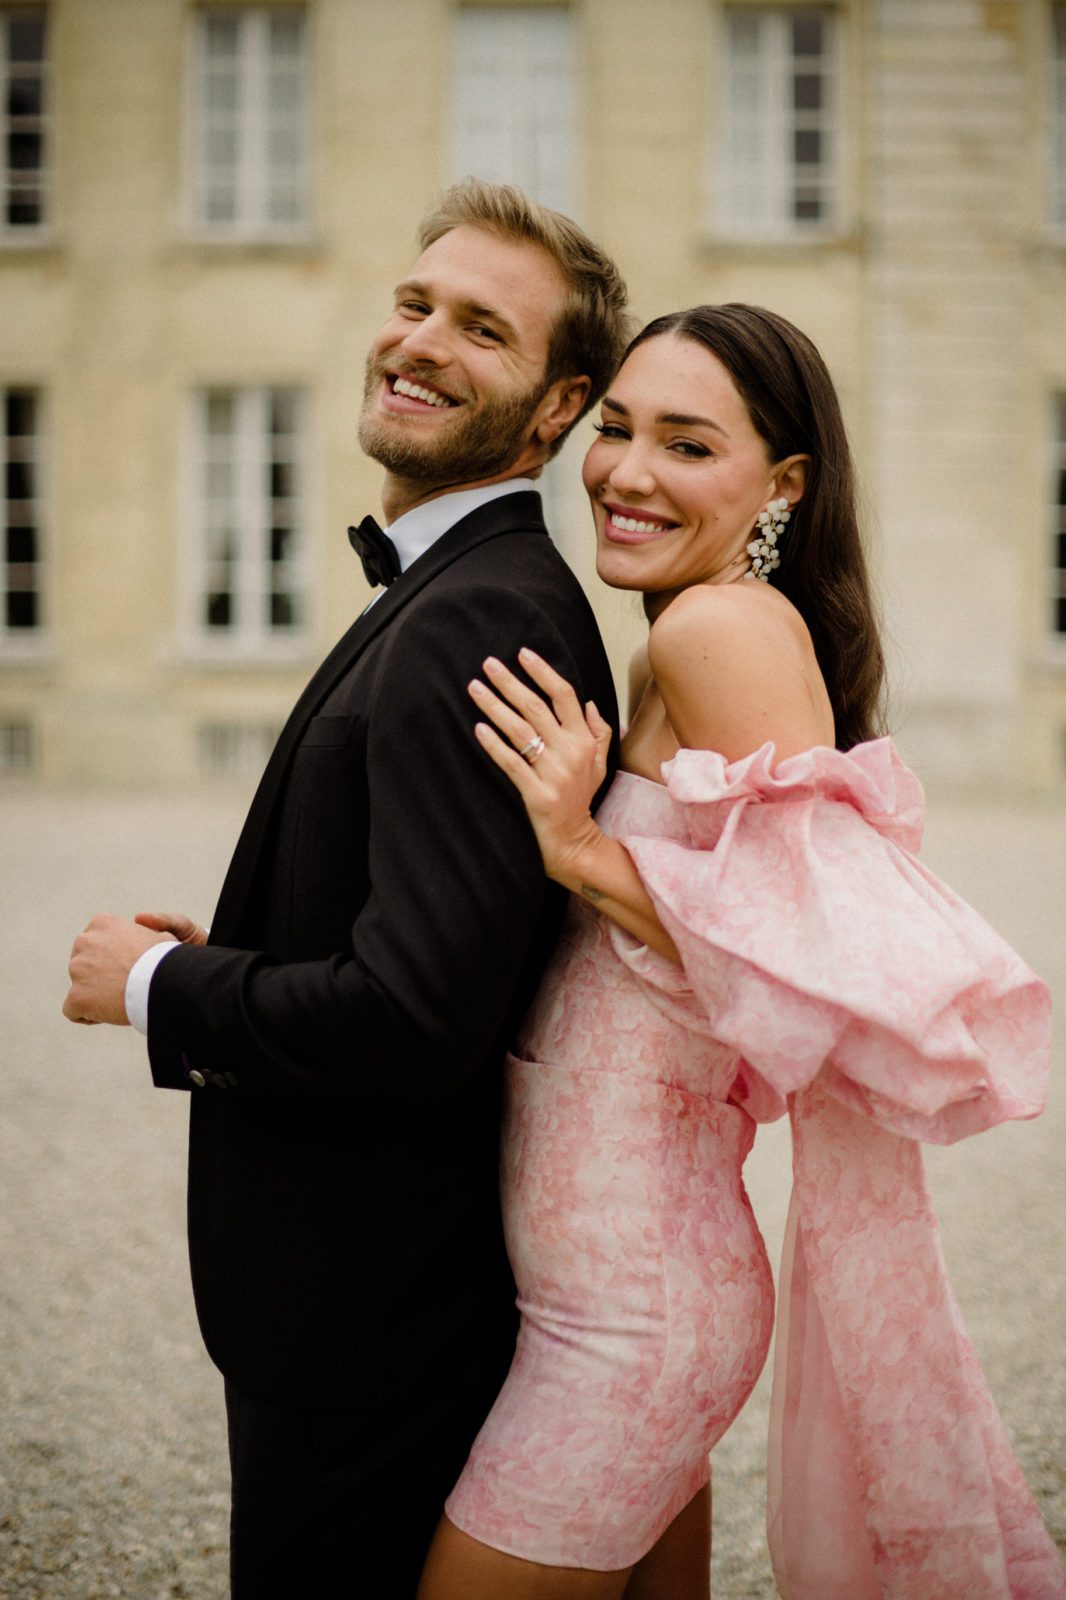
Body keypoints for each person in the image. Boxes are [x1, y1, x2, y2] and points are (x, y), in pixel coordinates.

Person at [415, 305, 1066, 1599]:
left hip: (632, 1319)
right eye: (614, 431)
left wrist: (587, 853)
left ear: (781, 484)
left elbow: (836, 960)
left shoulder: (717, 630)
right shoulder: (694, 623)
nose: (626, 472)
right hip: (624, 1296)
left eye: (685, 443)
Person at [61, 179, 629, 1597]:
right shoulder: (455, 587)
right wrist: (252, 943)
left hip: (369, 1320)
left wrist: (155, 987)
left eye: (480, 330)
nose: (419, 340)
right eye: (413, 301)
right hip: (362, 1303)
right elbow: (424, 933)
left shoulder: (487, 608)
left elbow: (413, 1017)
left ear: (555, 411)